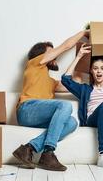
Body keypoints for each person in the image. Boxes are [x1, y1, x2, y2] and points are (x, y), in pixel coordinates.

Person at [13, 30, 89, 171]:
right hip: (26, 109)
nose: (55, 55)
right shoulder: (34, 64)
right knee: (65, 105)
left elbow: (76, 81)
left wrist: (80, 57)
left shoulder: (52, 82)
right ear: (42, 55)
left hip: (37, 116)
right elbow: (65, 46)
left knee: (72, 123)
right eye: (51, 52)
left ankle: (29, 148)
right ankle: (48, 153)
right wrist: (84, 32)